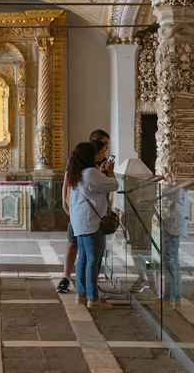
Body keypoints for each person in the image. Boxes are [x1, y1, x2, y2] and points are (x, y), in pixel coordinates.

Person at [58, 129, 110, 294]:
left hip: (92, 212)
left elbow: (99, 185)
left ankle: (88, 285)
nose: (106, 148)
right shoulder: (81, 159)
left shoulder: (101, 161)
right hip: (81, 211)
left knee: (90, 255)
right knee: (76, 245)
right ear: (95, 141)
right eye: (104, 144)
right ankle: (67, 279)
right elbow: (67, 181)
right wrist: (65, 203)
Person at [69, 140, 119, 309]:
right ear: (92, 155)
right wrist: (110, 171)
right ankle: (93, 298)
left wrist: (101, 172)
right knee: (93, 260)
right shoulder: (91, 172)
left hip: (80, 221)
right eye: (99, 152)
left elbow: (94, 187)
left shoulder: (78, 172)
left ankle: (81, 294)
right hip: (92, 222)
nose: (101, 154)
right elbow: (113, 185)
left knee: (83, 258)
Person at [161, 185, 190, 306]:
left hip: (173, 220)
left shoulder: (176, 186)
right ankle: (175, 292)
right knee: (173, 258)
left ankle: (170, 295)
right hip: (175, 219)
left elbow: (166, 191)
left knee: (169, 259)